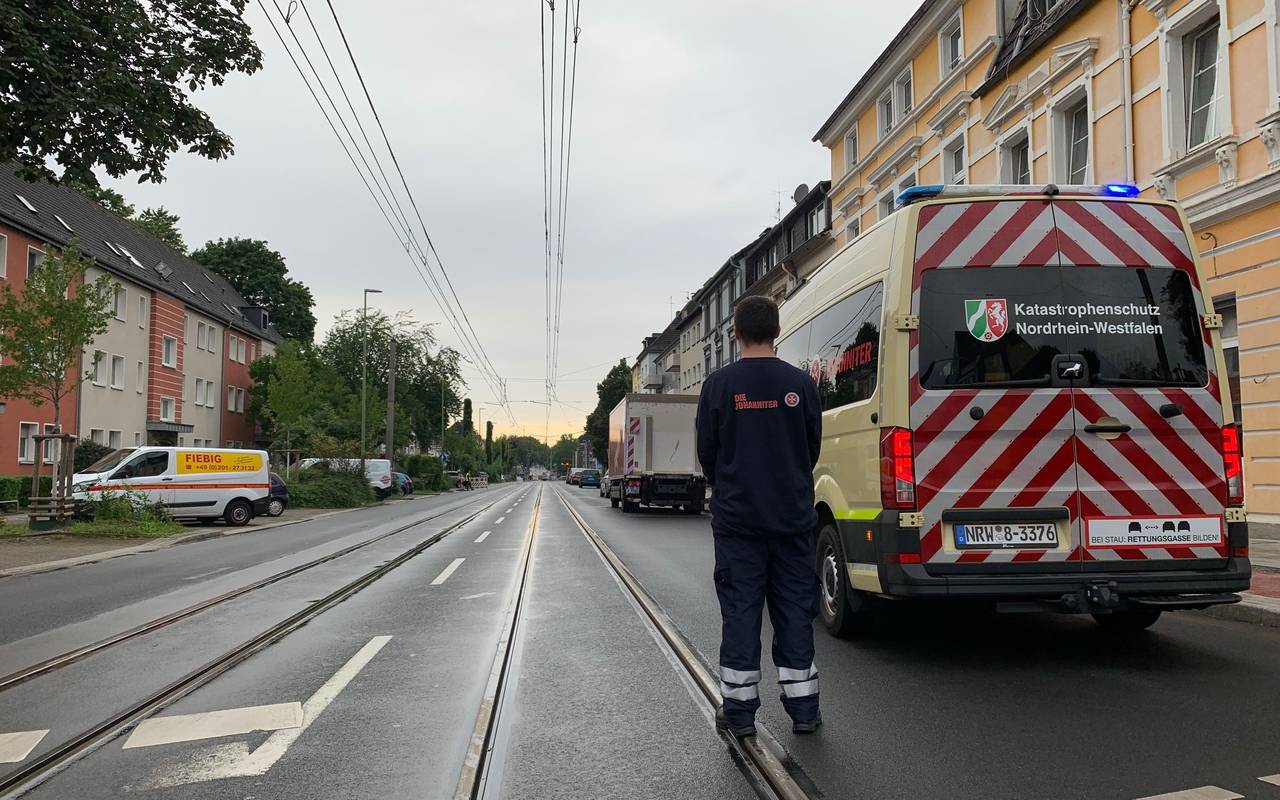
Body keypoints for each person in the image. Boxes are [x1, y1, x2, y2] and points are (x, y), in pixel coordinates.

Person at [695, 295, 822, 738]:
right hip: (792, 522)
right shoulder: (801, 384)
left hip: (738, 525)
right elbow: (811, 449)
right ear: (778, 331)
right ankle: (805, 710)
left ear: (735, 333)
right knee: (794, 611)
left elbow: (707, 453)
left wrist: (729, 484)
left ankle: (740, 714)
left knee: (741, 612)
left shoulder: (718, 385)